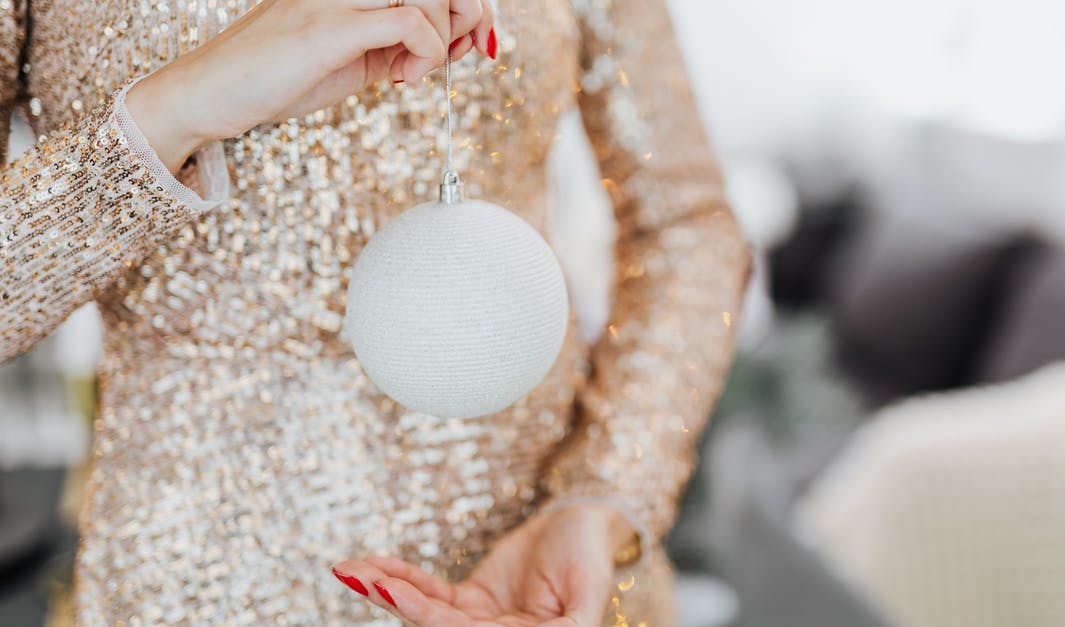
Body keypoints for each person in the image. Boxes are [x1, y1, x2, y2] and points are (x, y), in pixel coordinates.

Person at [0, 0, 750, 624]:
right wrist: (176, 109)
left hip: (542, 575)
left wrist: (606, 491)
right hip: (192, 581)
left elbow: (686, 225)